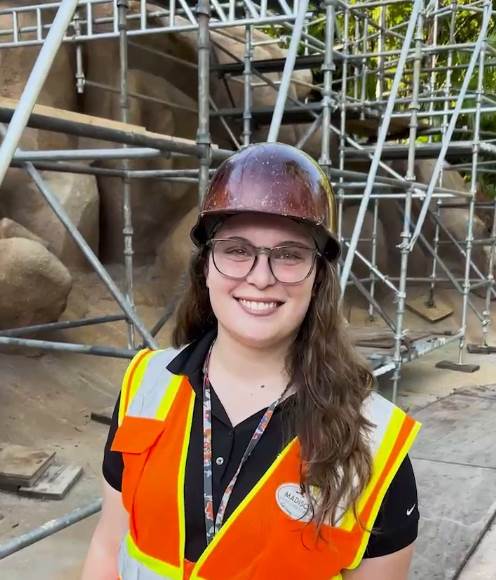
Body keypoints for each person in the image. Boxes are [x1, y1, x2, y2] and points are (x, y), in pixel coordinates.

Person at [82, 142, 420, 580]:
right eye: (237, 250)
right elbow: (108, 545)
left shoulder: (374, 443)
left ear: (318, 277)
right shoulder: (145, 385)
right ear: (206, 266)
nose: (261, 278)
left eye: (289, 254)